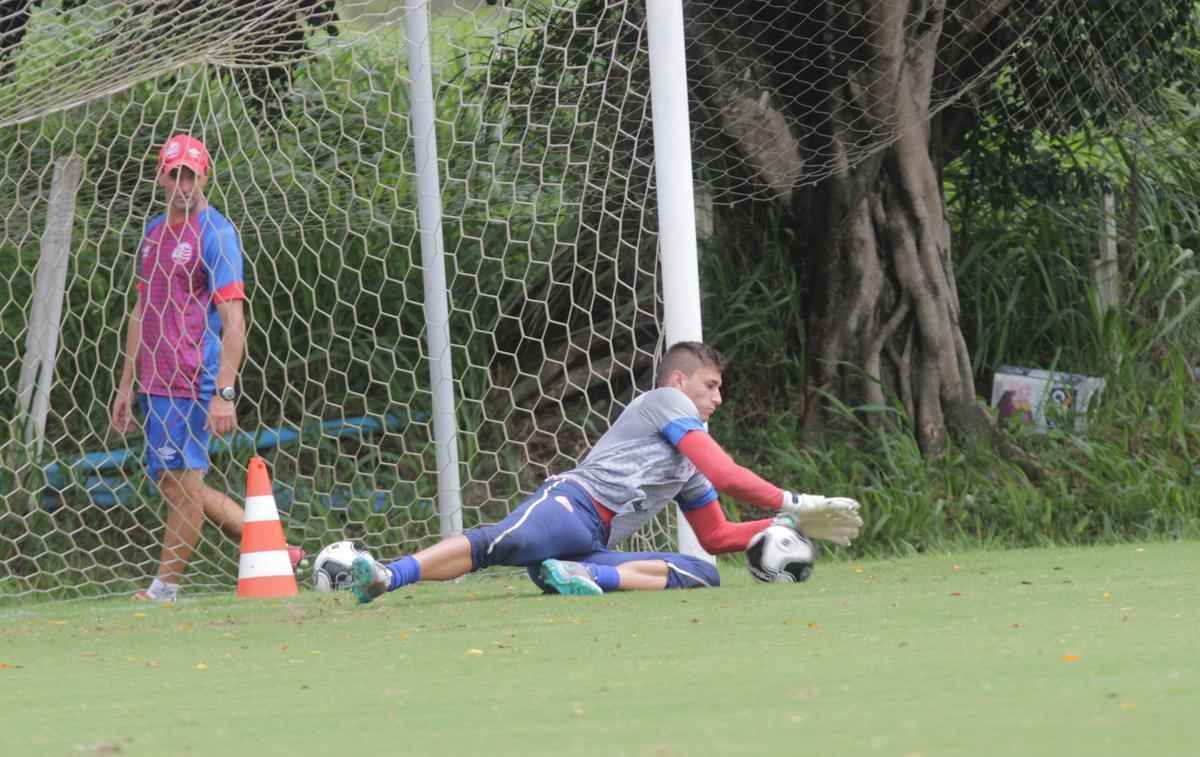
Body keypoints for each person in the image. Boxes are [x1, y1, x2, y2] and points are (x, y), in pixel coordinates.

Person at [350, 341, 862, 602]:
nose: (718, 398)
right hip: (574, 506)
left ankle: (588, 575)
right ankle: (387, 576)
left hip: (592, 545)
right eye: (711, 385)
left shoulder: (686, 461)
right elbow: (727, 475)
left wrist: (782, 528)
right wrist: (796, 504)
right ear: (680, 381)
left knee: (702, 573)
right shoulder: (665, 401)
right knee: (496, 542)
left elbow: (717, 535)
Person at [110, 133, 300, 603]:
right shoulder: (154, 234)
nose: (183, 185)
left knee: (183, 486)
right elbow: (140, 311)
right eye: (175, 174)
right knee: (176, 482)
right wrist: (125, 384)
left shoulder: (215, 234)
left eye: (191, 176)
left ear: (203, 177)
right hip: (155, 381)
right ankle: (280, 552)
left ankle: (164, 588)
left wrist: (224, 392)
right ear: (161, 176)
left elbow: (235, 320)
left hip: (192, 379)